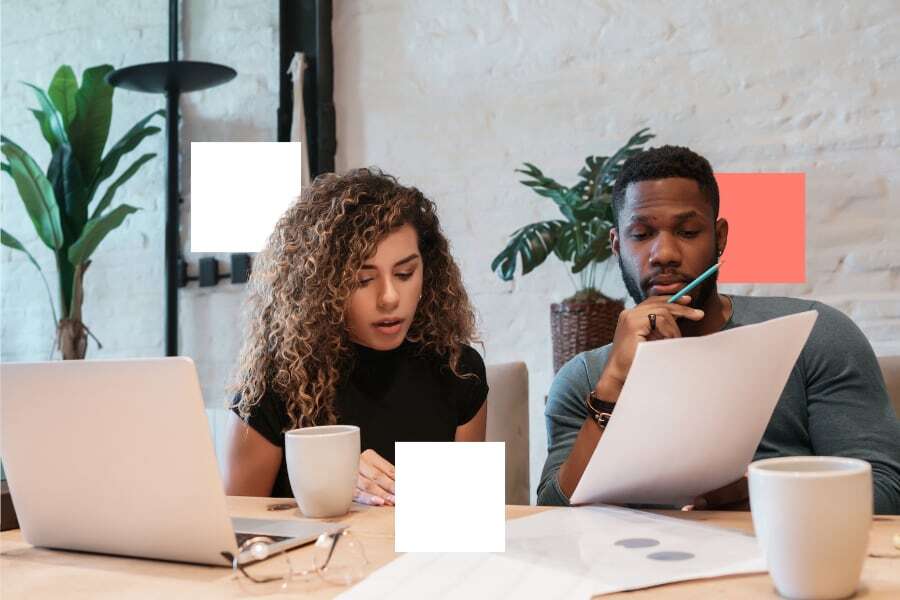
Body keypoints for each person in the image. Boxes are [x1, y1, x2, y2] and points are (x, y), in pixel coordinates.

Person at [537, 145, 900, 514]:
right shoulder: (584, 379)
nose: (664, 253)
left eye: (688, 231)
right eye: (642, 234)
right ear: (617, 245)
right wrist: (613, 383)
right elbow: (552, 514)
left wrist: (762, 498)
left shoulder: (816, 335)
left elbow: (886, 491)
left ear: (720, 237)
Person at [223, 168, 488, 505]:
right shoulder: (278, 381)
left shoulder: (458, 370)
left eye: (405, 273)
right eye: (363, 280)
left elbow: (462, 518)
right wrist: (328, 482)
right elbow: (236, 523)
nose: (389, 297)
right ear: (322, 287)